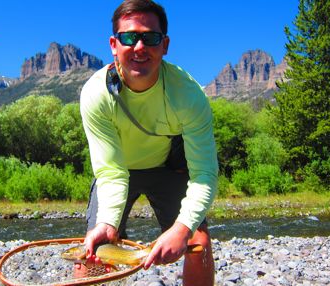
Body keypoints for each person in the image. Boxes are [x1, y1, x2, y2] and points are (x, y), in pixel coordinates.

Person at [79, 0, 218, 285]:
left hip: (167, 168)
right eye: (129, 37)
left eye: (150, 37)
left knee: (198, 243)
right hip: (118, 173)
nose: (139, 47)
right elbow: (110, 171)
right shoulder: (96, 94)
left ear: (165, 45)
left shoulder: (189, 96)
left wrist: (181, 229)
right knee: (93, 251)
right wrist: (107, 224)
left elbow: (204, 174)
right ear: (113, 44)